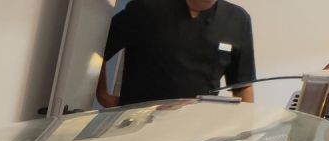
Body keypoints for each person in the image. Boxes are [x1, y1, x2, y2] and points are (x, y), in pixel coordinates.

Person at [96, 0, 256, 108]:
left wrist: (244, 133)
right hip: (138, 122)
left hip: (195, 130)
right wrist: (103, 96)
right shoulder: (145, 8)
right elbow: (98, 48)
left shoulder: (238, 20)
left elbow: (242, 85)